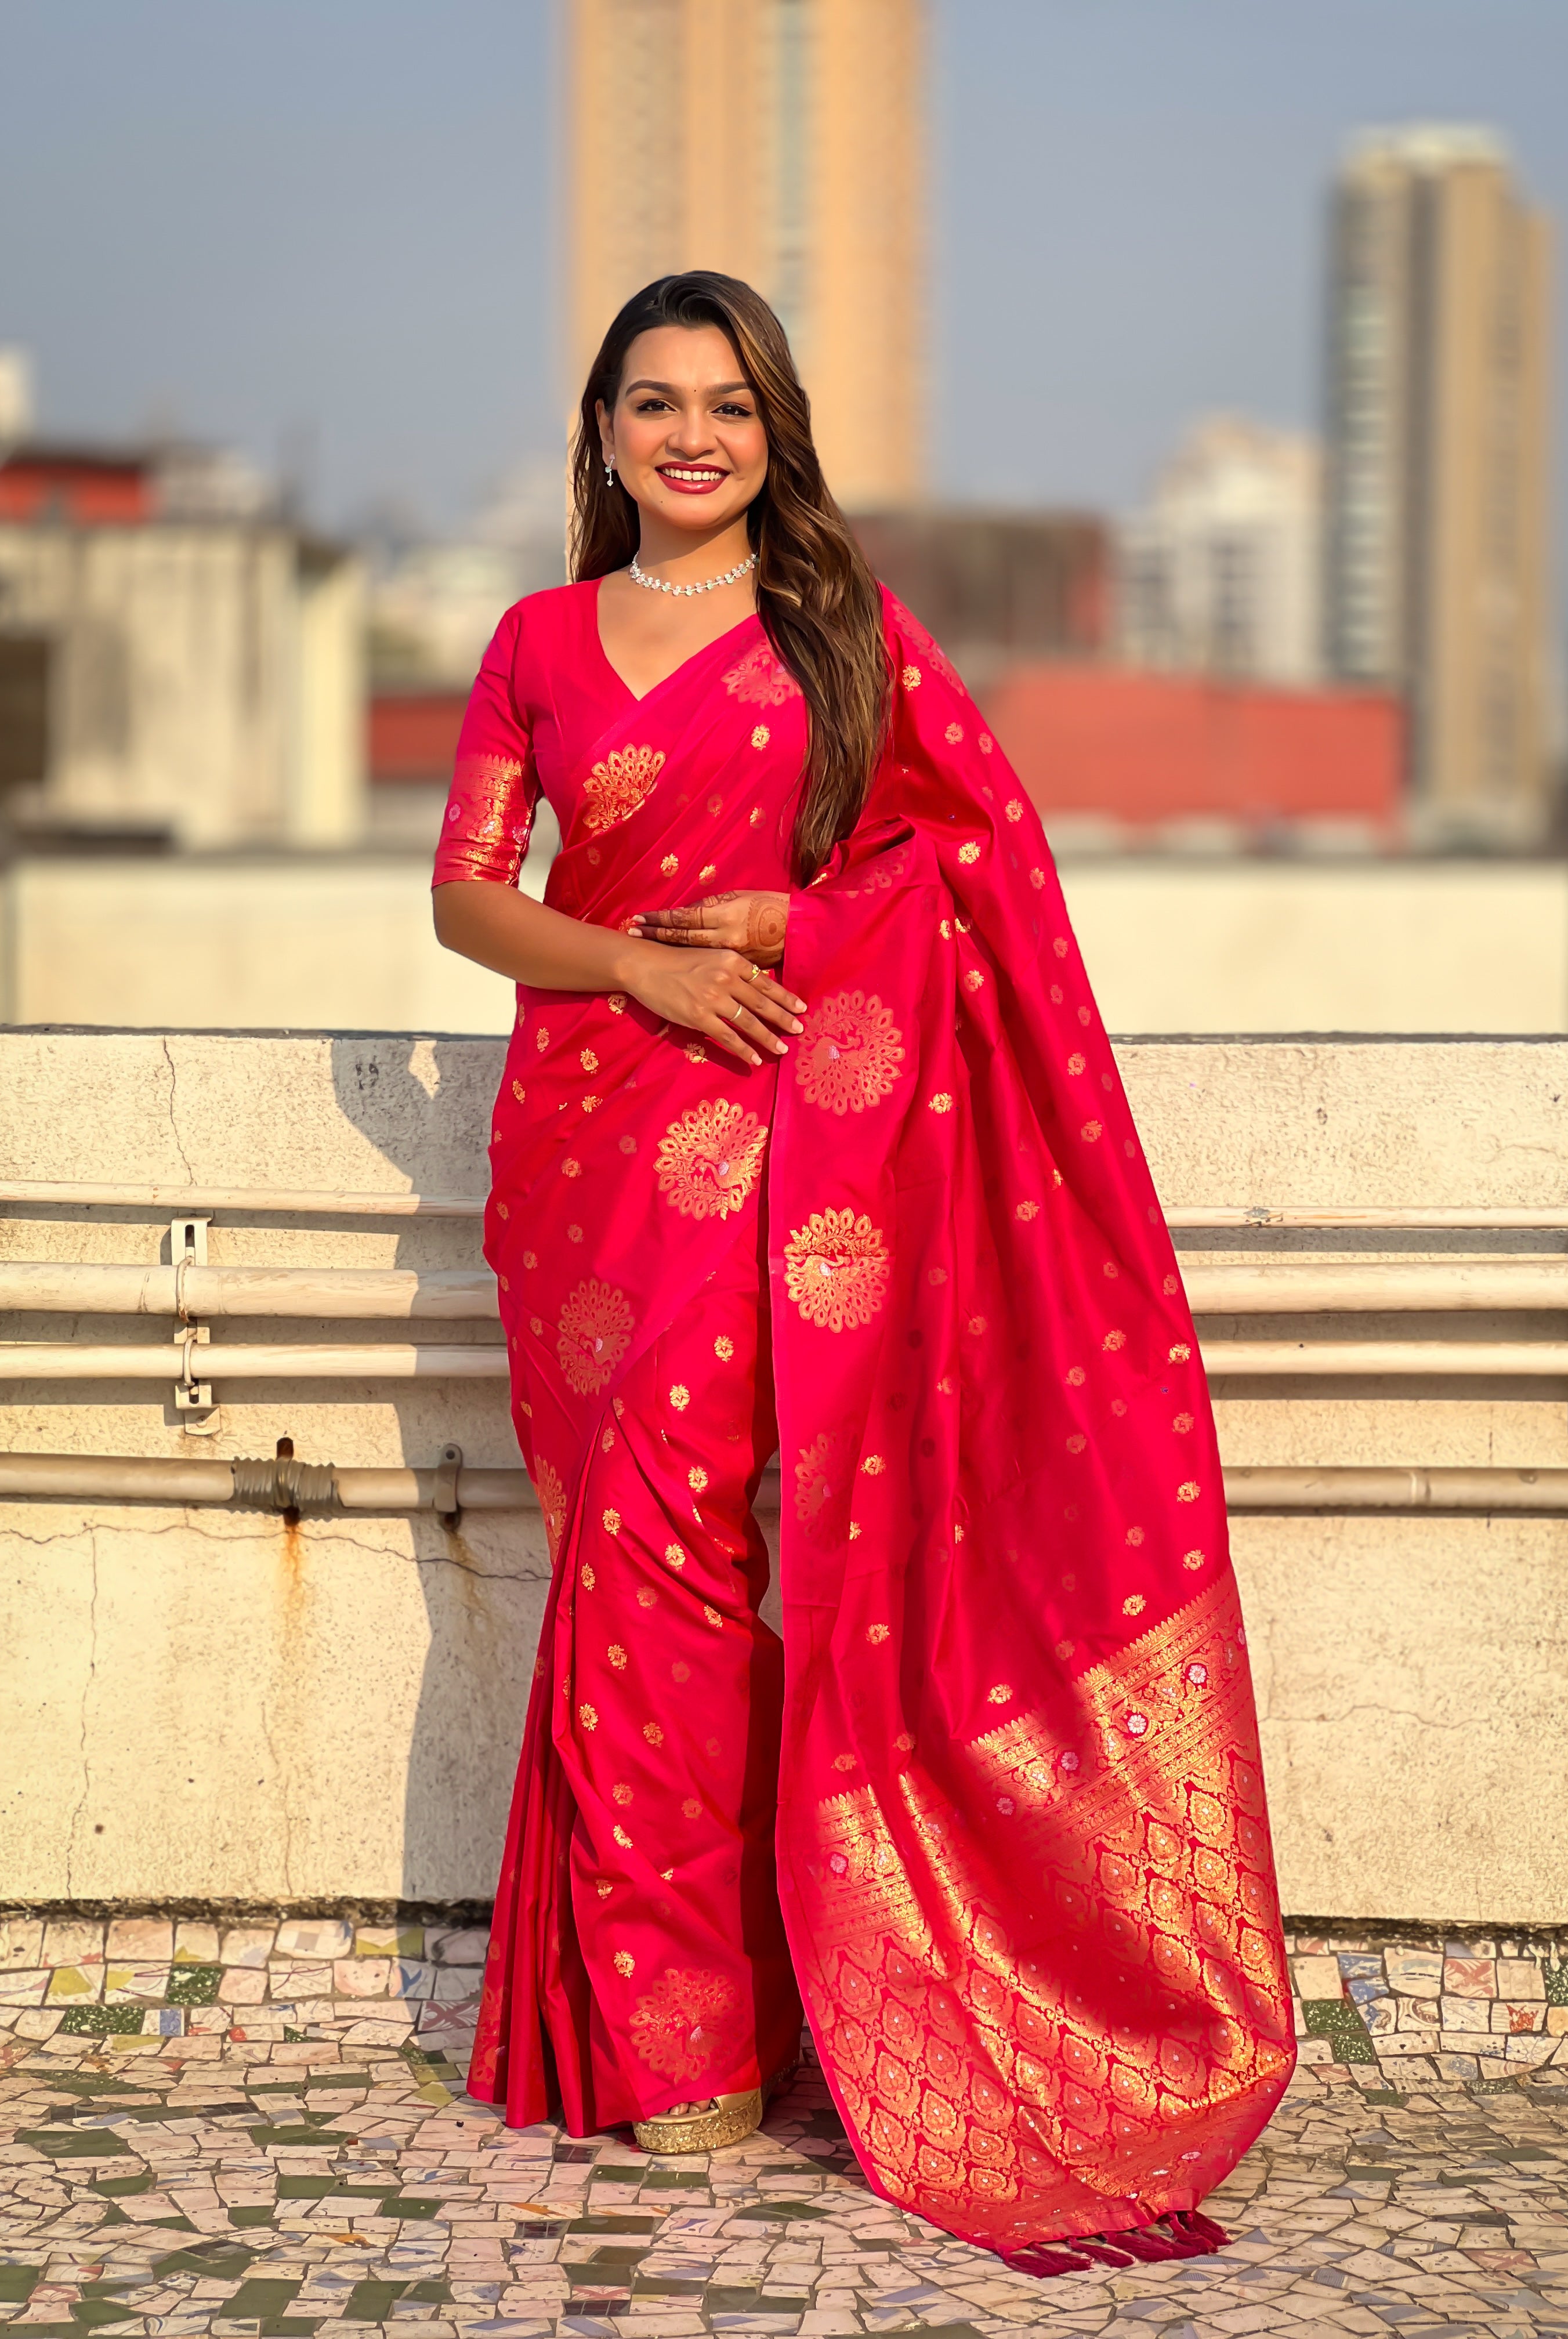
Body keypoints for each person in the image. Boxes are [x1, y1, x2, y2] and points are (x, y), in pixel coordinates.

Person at [431, 270, 1294, 2273]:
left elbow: (983, 862)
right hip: (589, 1144)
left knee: (771, 1547)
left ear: (775, 427)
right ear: (605, 431)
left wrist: (799, 933)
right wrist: (641, 957)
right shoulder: (539, 643)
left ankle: (805, 2005)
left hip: (808, 1142)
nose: (691, 437)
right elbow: (475, 899)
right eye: (653, 403)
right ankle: (678, 2038)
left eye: (726, 404)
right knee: (643, 1561)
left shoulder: (842, 633)